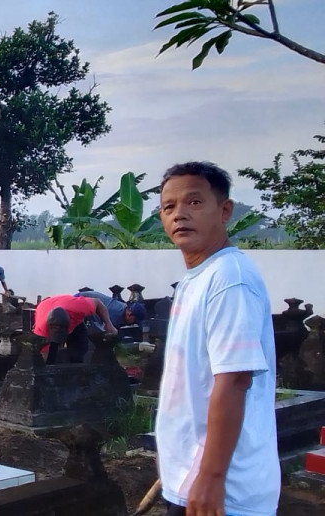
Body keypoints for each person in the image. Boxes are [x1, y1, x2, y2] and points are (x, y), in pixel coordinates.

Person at [154, 162, 278, 516]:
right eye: (169, 206)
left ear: (224, 211)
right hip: (189, 479)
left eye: (194, 203)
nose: (180, 215)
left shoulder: (229, 279)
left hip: (225, 492)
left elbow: (235, 380)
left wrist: (211, 477)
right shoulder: (197, 278)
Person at [32, 294, 116, 364]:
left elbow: (98, 303)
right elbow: (43, 354)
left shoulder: (79, 307)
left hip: (73, 317)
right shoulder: (41, 330)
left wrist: (109, 324)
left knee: (80, 351)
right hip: (45, 308)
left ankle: (78, 371)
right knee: (50, 357)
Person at [73, 290, 146, 330]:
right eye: (134, 321)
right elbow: (104, 331)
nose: (133, 323)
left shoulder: (123, 307)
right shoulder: (116, 315)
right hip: (78, 301)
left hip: (85, 302)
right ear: (130, 315)